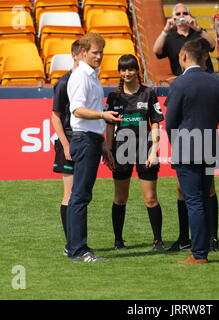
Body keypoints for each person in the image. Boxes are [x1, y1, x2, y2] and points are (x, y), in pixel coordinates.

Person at [165, 39, 219, 264]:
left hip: (186, 147)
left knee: (194, 201)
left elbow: (170, 122)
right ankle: (206, 245)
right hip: (209, 144)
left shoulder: (179, 84)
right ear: (204, 58)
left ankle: (199, 253)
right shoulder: (216, 82)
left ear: (182, 56)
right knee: (205, 197)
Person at [66, 33, 122, 262]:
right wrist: (102, 114)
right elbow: (77, 110)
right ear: (82, 53)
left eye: (101, 52)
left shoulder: (91, 76)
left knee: (80, 195)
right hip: (84, 138)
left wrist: (103, 146)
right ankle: (78, 250)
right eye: (95, 52)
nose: (99, 56)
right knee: (80, 195)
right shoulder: (81, 76)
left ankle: (75, 247)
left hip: (90, 138)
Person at [105, 54, 165, 251]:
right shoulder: (114, 97)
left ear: (137, 71)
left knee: (150, 198)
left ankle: (157, 240)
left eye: (131, 69)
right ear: (119, 72)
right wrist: (108, 149)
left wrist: (154, 151)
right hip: (121, 150)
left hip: (145, 149)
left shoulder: (149, 93)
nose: (127, 73)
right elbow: (110, 126)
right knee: (120, 198)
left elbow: (155, 124)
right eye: (123, 69)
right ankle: (118, 241)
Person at [51, 40, 82, 256]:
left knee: (81, 194)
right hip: (69, 141)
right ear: (74, 55)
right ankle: (70, 243)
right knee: (69, 194)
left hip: (85, 141)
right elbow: (55, 115)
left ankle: (78, 242)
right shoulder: (64, 82)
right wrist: (66, 144)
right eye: (86, 53)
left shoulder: (89, 80)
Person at [153, 2, 216, 76]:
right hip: (183, 78)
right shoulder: (169, 38)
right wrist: (165, 30)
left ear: (190, 16)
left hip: (205, 75)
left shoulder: (199, 33)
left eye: (185, 13)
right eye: (178, 14)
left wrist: (197, 28)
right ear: (173, 18)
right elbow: (156, 51)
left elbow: (212, 45)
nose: (182, 16)